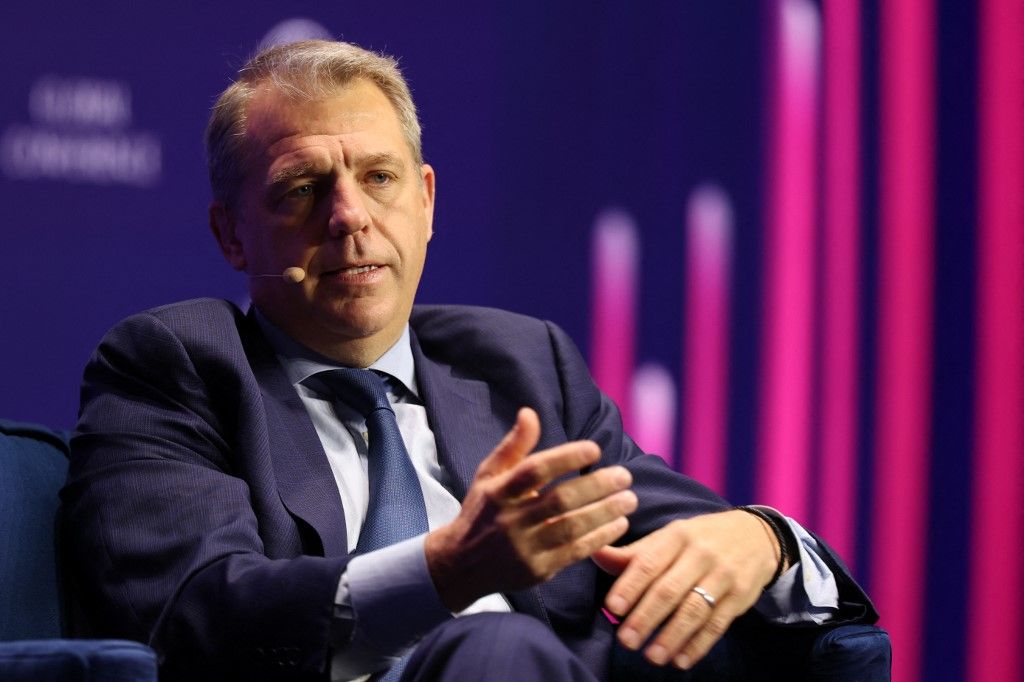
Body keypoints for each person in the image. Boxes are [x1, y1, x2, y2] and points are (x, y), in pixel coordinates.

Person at [61, 39, 879, 681]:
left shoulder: (523, 364)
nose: (349, 218)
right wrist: (446, 571)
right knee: (496, 651)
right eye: (301, 189)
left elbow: (682, 533)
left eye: (378, 178)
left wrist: (764, 538)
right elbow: (196, 615)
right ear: (231, 233)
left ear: (426, 202)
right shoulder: (175, 367)